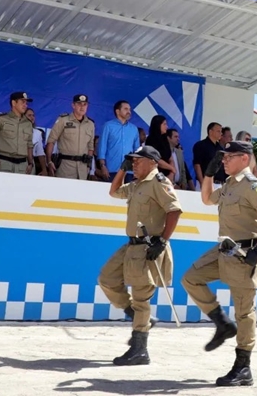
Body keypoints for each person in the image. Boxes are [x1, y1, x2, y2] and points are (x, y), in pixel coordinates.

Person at [182, 141, 257, 387]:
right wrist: (210, 173)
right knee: (190, 278)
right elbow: (206, 199)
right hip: (224, 249)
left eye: (228, 157)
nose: (224, 160)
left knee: (245, 312)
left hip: (245, 253)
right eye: (222, 157)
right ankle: (222, 323)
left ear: (244, 159)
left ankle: (243, 367)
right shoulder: (228, 183)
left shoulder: (252, 186)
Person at [97, 145, 181, 365]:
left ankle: (139, 350)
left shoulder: (159, 182)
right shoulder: (136, 184)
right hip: (131, 245)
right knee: (107, 279)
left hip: (149, 247)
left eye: (137, 160)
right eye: (132, 160)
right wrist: (123, 171)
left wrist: (162, 241)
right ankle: (135, 315)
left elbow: (174, 210)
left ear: (152, 162)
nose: (134, 163)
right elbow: (114, 192)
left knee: (142, 298)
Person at [46, 95, 95, 180]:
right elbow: (51, 141)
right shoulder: (63, 120)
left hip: (82, 169)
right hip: (65, 167)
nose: (82, 107)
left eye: (85, 104)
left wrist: (88, 165)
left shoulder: (90, 124)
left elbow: (90, 147)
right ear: (73, 105)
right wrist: (49, 161)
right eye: (79, 104)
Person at [0, 92, 35, 174]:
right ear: (14, 103)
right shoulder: (1, 119)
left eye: (26, 103)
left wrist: (30, 163)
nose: (25, 105)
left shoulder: (28, 123)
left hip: (22, 166)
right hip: (4, 163)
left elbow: (29, 145)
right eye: (22, 102)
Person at [96, 100, 141, 180]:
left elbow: (137, 151)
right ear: (118, 111)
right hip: (112, 170)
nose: (129, 112)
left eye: (129, 109)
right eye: (126, 109)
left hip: (129, 171)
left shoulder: (134, 129)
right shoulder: (108, 126)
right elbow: (102, 148)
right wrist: (102, 166)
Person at [194, 123, 226, 187]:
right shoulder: (200, 145)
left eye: (221, 131)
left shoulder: (220, 148)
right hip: (205, 182)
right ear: (210, 132)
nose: (221, 133)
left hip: (219, 184)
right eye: (218, 131)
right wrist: (202, 182)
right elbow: (197, 165)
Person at [145, 115, 176, 180]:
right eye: (164, 124)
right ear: (158, 125)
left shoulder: (165, 140)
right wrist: (172, 168)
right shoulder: (150, 140)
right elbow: (156, 160)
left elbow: (170, 158)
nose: (167, 127)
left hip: (168, 174)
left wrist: (171, 173)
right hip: (155, 174)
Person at [26, 108, 47, 176]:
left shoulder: (37, 133)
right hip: (16, 161)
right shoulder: (16, 130)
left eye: (33, 115)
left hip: (31, 163)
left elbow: (40, 153)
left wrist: (44, 170)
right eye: (29, 115)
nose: (32, 117)